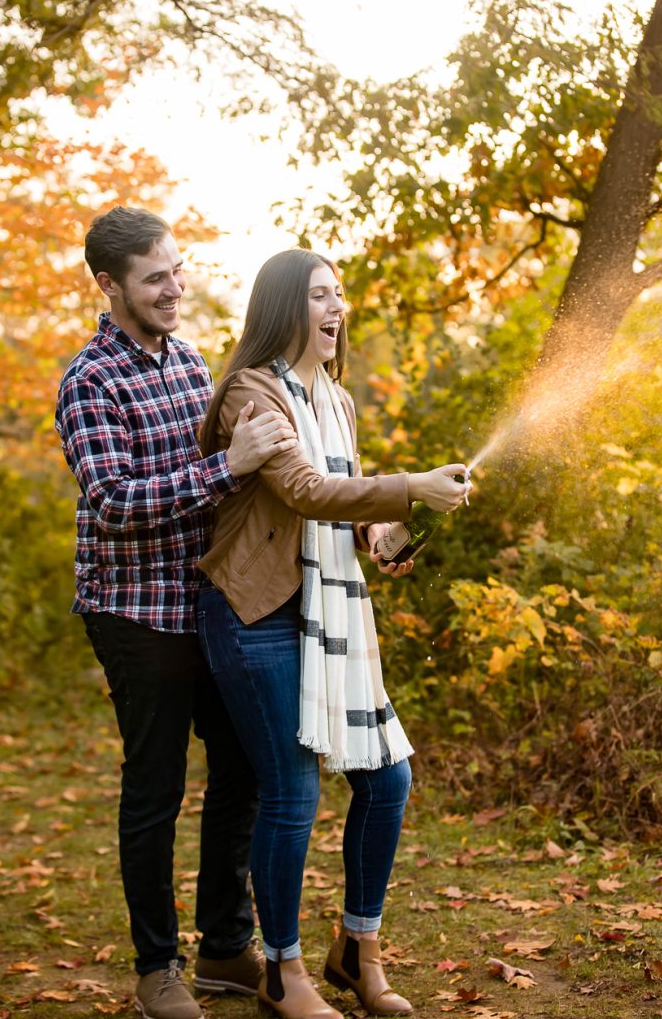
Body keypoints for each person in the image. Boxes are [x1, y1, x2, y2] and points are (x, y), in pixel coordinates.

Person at [195, 248, 471, 1019]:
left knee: (388, 778)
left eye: (340, 294)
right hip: (255, 611)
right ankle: (281, 974)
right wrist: (408, 488)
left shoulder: (336, 399)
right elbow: (306, 489)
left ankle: (356, 949)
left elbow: (336, 508)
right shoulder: (250, 391)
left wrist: (381, 532)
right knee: (292, 791)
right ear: (285, 307)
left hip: (331, 609)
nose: (336, 307)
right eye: (320, 295)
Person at [55, 207, 298, 1019]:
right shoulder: (91, 379)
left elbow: (242, 479)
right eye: (155, 277)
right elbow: (116, 503)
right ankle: (157, 966)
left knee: (242, 771)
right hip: (132, 612)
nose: (175, 288)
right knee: (155, 789)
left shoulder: (192, 362)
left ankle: (227, 948)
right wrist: (229, 465)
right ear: (109, 285)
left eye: (177, 270)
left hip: (209, 603)